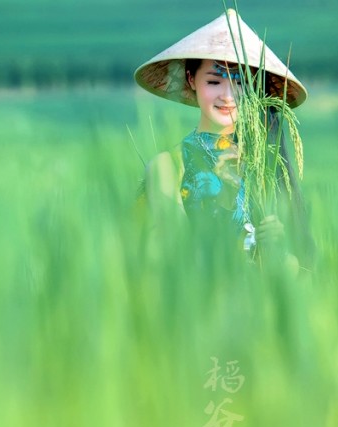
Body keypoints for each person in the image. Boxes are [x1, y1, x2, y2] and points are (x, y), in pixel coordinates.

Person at [134, 9, 314, 271]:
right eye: (214, 81)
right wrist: (226, 200)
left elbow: (296, 273)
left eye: (240, 83)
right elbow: (178, 252)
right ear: (191, 79)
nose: (228, 96)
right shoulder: (168, 167)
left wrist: (274, 247)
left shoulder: (263, 167)